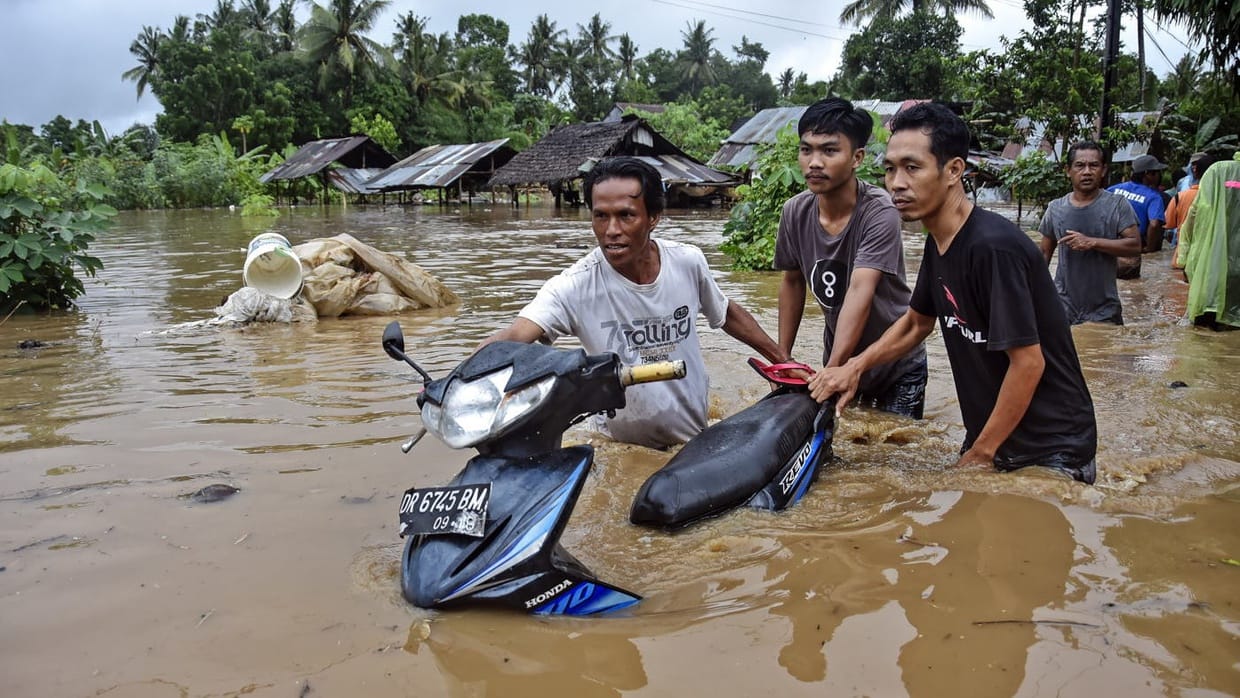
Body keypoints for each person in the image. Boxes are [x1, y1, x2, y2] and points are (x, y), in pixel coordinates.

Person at [811, 102, 1099, 484]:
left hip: (1051, 451)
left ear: (953, 170)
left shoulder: (993, 248)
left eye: (912, 168)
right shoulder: (941, 241)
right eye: (890, 169)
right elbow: (916, 324)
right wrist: (852, 368)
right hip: (995, 441)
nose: (897, 183)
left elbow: (1029, 363)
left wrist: (980, 454)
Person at [480, 156, 787, 449]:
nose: (612, 231)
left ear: (653, 217)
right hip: (617, 445)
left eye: (626, 215)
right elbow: (514, 338)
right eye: (601, 216)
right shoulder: (574, 286)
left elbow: (726, 312)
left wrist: (781, 360)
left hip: (693, 440)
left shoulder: (687, 262)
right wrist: (459, 380)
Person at [774, 97, 927, 417]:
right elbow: (792, 282)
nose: (814, 162)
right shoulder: (794, 212)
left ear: (857, 157)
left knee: (896, 454)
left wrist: (829, 372)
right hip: (841, 357)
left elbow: (861, 290)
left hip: (895, 364)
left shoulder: (879, 211)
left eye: (829, 151)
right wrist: (782, 357)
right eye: (806, 150)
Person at [1038, 140, 1141, 325]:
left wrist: (1092, 242)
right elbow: (1044, 254)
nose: (1087, 171)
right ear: (1068, 170)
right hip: (1063, 307)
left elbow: (1134, 246)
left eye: (1094, 165)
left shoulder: (1117, 204)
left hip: (1105, 309)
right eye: (1080, 165)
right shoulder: (1055, 208)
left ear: (1103, 170)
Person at [1177, 152, 1240, 329]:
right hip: (1231, 277)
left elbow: (1195, 216)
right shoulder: (1218, 171)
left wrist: (1185, 259)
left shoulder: (1217, 171)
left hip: (1211, 270)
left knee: (1203, 335)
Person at [1108, 154, 1169, 270]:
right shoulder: (1153, 197)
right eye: (1157, 172)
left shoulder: (1114, 189)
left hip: (1110, 241)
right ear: (1147, 174)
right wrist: (1149, 249)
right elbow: (1154, 224)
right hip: (1134, 244)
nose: (1159, 176)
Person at [1168, 154, 1213, 269]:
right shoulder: (1222, 196)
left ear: (1197, 171)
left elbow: (1169, 223)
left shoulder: (1180, 196)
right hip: (1209, 257)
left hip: (1182, 255)